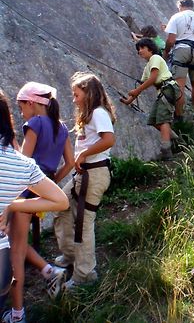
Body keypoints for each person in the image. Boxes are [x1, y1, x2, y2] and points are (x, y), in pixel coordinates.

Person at [0, 90, 68, 323]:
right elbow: (70, 162)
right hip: (39, 187)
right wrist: (52, 180)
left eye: (22, 107)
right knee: (16, 243)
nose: (21, 113)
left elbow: (23, 156)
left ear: (31, 103)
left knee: (16, 249)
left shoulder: (35, 122)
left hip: (22, 191)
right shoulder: (61, 126)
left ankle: (18, 313)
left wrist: (12, 202)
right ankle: (49, 271)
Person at [53, 72, 115, 291]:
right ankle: (71, 255)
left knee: (83, 222)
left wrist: (83, 155)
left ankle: (85, 274)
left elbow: (109, 140)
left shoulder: (98, 113)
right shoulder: (90, 115)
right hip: (84, 174)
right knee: (61, 207)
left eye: (76, 94)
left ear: (88, 94)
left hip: (94, 174)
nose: (74, 99)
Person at [121, 38, 180, 160]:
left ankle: (166, 150)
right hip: (163, 91)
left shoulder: (155, 58)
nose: (139, 51)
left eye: (142, 48)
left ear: (151, 49)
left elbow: (152, 79)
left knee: (163, 120)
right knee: (153, 120)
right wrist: (128, 101)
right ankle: (176, 140)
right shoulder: (148, 66)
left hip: (168, 88)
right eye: (138, 49)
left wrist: (136, 91)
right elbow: (142, 86)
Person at [163, 0, 194, 121]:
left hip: (182, 50)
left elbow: (171, 40)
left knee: (179, 85)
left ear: (180, 6)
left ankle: (179, 117)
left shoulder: (177, 16)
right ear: (192, 6)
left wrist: (165, 53)